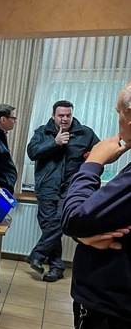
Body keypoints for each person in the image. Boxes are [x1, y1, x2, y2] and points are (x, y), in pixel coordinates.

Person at [61, 81, 131, 329]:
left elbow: (75, 216)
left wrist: (93, 161)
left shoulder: (88, 140)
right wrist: (87, 225)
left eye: (119, 114)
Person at [26, 100, 99, 282]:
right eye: (61, 115)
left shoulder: (85, 133)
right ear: (54, 116)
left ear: (72, 115)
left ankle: (38, 253)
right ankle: (57, 266)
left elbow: (100, 153)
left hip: (71, 189)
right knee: (50, 225)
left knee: (60, 221)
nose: (65, 119)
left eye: (68, 115)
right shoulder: (43, 132)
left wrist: (92, 157)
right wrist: (54, 142)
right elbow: (32, 153)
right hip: (46, 188)